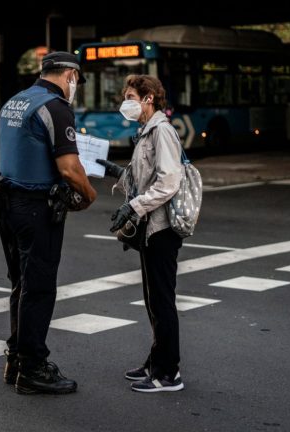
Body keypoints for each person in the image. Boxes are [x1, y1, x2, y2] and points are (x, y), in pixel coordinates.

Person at [0, 51, 97, 395]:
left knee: (22, 285)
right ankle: (33, 368)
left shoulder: (15, 101)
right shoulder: (55, 106)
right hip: (36, 207)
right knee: (39, 288)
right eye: (76, 79)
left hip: (7, 203)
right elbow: (69, 167)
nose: (75, 85)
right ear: (69, 74)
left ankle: (15, 360)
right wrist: (88, 194)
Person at [97, 74, 185, 393]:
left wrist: (134, 206)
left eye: (131, 95)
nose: (126, 101)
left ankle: (168, 374)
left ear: (149, 98)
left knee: (162, 301)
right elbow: (143, 177)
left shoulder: (162, 131)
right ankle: (155, 361)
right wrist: (119, 173)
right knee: (152, 300)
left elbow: (168, 182)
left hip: (161, 228)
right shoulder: (146, 132)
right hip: (150, 229)